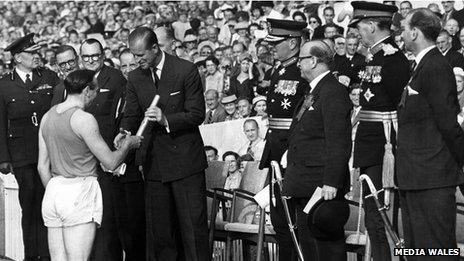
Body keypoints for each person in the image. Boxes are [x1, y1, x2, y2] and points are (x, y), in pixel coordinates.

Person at [114, 26, 210, 261]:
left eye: (140, 56)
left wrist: (167, 119)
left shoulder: (185, 69)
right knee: (162, 234)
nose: (137, 61)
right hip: (154, 165)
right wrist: (124, 131)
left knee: (192, 232)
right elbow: (132, 114)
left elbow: (197, 113)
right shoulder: (136, 77)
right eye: (133, 56)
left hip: (186, 164)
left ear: (155, 48)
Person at [37, 70, 141, 261]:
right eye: (96, 90)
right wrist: (128, 144)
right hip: (79, 190)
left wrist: (57, 192)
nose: (96, 96)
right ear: (87, 90)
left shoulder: (47, 117)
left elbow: (42, 166)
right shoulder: (84, 119)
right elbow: (110, 162)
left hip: (53, 191)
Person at [398, 9, 464, 256]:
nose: (402, 34)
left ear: (415, 32)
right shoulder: (421, 65)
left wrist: (460, 163)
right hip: (417, 178)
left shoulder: (435, 66)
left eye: (404, 29)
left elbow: (448, 124)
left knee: (436, 252)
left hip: (432, 179)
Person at [349, 2, 410, 260]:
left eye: (360, 27)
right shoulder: (375, 56)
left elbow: (396, 106)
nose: (357, 34)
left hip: (383, 145)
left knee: (381, 215)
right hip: (370, 142)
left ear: (372, 25)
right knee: (373, 216)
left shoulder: (393, 58)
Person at [282, 39, 351, 261]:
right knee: (310, 248)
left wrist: (331, 182)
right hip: (304, 183)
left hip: (321, 186)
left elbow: (338, 141)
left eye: (301, 59)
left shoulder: (333, 91)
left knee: (326, 249)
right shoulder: (315, 91)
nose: (298, 65)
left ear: (313, 61)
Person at [0, 33, 60, 261]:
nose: (37, 56)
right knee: (30, 207)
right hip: (23, 155)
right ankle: (32, 257)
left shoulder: (49, 77)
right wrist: (4, 158)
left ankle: (49, 256)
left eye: (38, 52)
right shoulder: (4, 85)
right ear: (17, 58)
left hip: (51, 152)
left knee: (50, 205)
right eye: (31, 53)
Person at [259, 18, 309, 261]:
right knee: (280, 218)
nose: (272, 48)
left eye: (276, 43)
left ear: (292, 43)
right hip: (276, 149)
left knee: (292, 219)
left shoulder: (302, 71)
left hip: (292, 150)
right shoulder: (278, 70)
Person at [80, 38, 127, 261]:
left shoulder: (115, 78)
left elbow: (120, 119)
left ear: (103, 54)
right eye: (86, 56)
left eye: (95, 55)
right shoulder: (78, 80)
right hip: (83, 159)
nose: (91, 60)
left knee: (107, 218)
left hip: (106, 157)